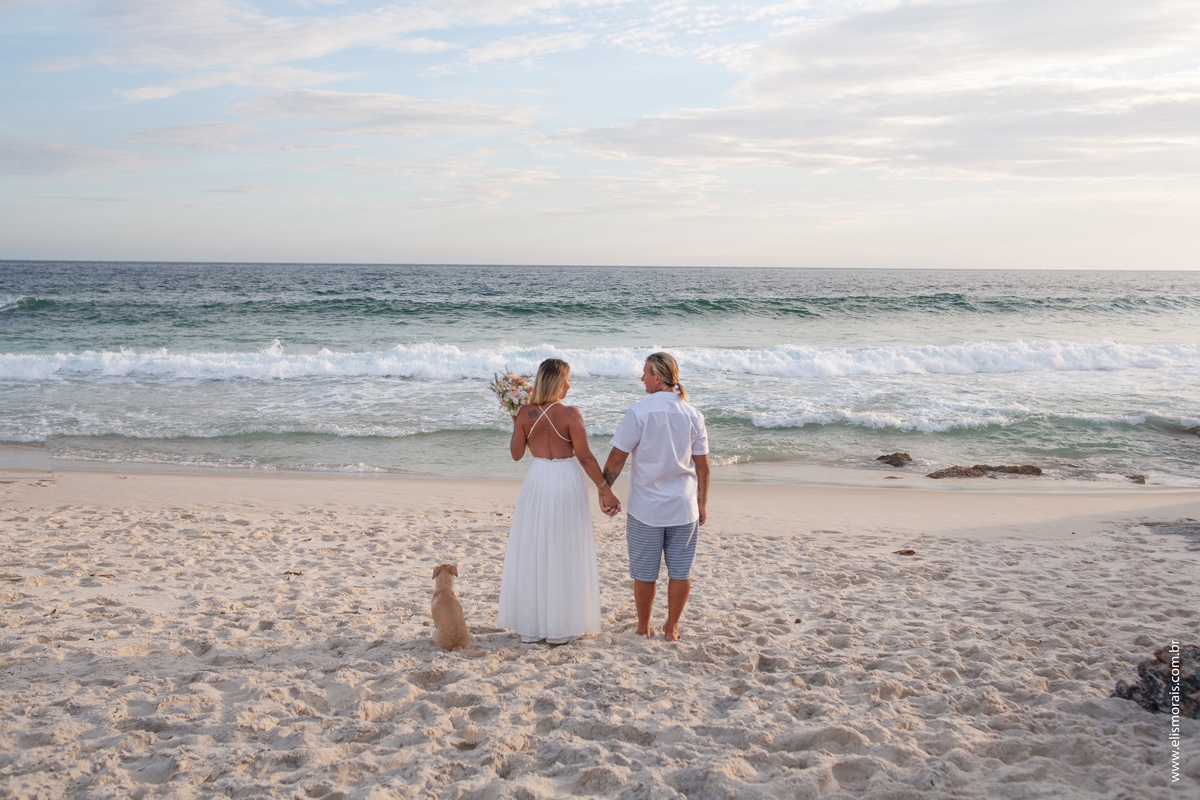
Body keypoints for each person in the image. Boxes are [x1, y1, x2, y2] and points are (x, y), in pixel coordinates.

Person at [497, 358, 622, 644]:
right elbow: (586, 457)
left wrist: (517, 421)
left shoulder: (525, 414)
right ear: (557, 383)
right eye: (567, 379)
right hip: (566, 480)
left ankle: (534, 625)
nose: (569, 385)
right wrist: (605, 490)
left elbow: (516, 455)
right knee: (566, 547)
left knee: (536, 546)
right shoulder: (570, 414)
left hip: (537, 480)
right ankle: (562, 624)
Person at [601, 352, 709, 642]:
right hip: (684, 507)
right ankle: (672, 627)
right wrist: (702, 503)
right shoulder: (693, 414)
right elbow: (702, 466)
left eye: (645, 373)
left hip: (646, 509)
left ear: (657, 377)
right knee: (680, 571)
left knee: (645, 573)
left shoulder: (639, 412)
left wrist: (605, 488)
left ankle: (643, 627)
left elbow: (617, 456)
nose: (642, 378)